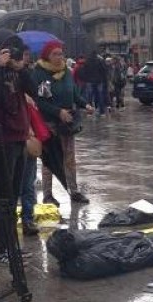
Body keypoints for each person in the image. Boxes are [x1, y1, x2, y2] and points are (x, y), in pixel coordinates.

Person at [0, 29, 40, 265]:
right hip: (1, 138)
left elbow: (34, 90)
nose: (13, 54)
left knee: (15, 193)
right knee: (3, 195)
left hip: (19, 135)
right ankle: (2, 249)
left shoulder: (18, 71)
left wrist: (21, 68)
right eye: (9, 48)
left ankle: (12, 245)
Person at [31, 40, 94, 206]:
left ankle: (74, 191)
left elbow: (74, 94)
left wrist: (85, 104)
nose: (59, 57)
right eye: (55, 54)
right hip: (50, 122)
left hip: (67, 123)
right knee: (50, 160)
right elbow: (39, 101)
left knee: (70, 158)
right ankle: (48, 195)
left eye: (61, 53)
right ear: (47, 56)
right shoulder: (39, 73)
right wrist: (58, 112)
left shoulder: (67, 71)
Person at [19, 47, 41, 239]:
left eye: (26, 55)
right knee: (17, 183)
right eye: (22, 55)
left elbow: (36, 95)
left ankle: (28, 217)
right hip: (13, 138)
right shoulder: (2, 75)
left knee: (28, 182)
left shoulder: (27, 75)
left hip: (29, 135)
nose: (24, 59)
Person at [78, 51, 107, 115]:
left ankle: (90, 112)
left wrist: (85, 79)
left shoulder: (87, 61)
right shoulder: (99, 61)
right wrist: (104, 80)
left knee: (89, 97)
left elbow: (84, 71)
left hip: (89, 81)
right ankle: (102, 112)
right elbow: (103, 70)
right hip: (99, 81)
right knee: (100, 96)